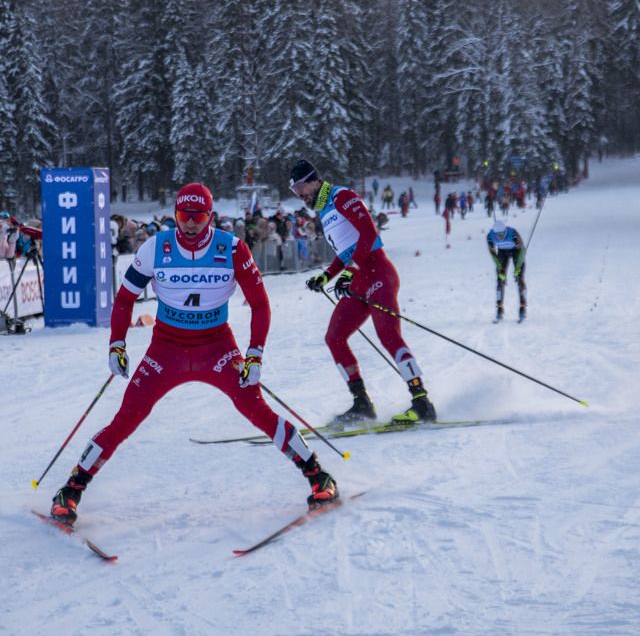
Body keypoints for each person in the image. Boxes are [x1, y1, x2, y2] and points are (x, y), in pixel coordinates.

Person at [49, 183, 338, 526]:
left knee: (256, 410)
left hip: (216, 348)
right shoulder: (156, 246)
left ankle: (318, 476)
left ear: (210, 217)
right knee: (126, 418)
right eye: (182, 216)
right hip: (166, 350)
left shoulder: (232, 249)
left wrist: (255, 354)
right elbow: (125, 298)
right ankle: (71, 490)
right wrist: (117, 343)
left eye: (197, 217)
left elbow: (260, 304)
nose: (189, 224)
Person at [288, 159, 437, 426]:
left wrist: (348, 271)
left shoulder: (342, 196)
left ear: (314, 180)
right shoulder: (323, 211)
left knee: (388, 335)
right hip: (358, 279)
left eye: (300, 187)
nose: (299, 195)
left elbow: (368, 234)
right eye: (294, 191)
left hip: (377, 273)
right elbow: (345, 252)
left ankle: (422, 401)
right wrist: (326, 275)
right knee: (334, 337)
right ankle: (362, 404)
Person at [486, 219, 527, 322]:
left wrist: (517, 268)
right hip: (502, 252)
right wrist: (499, 268)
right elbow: (492, 253)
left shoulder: (513, 234)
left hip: (516, 251)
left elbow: (522, 251)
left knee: (519, 278)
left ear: (505, 231)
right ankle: (499, 307)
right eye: (498, 235)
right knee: (500, 279)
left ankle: (522, 306)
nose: (500, 236)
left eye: (502, 234)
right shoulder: (490, 236)